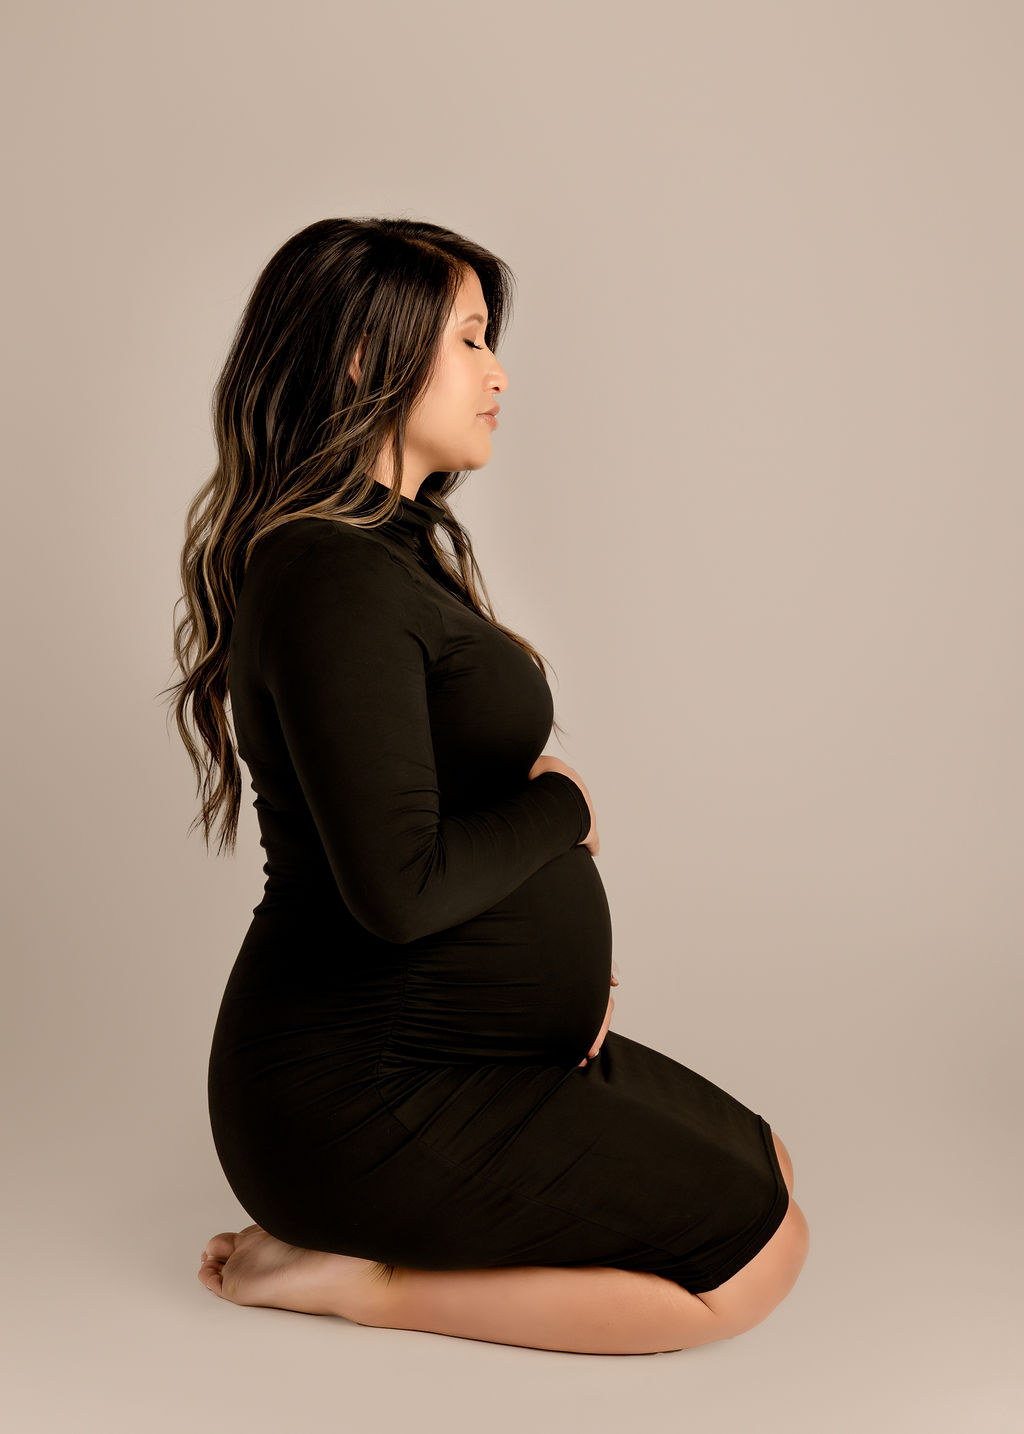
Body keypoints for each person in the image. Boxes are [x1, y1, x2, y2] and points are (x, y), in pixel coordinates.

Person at [163, 216, 809, 1356]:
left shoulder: (386, 546)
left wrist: (547, 981)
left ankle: (376, 1236)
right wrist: (570, 810)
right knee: (755, 1267)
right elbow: (398, 890)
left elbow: (434, 808)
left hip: (457, 1050)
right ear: (367, 357)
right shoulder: (329, 580)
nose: (498, 371)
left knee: (769, 1173)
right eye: (469, 340)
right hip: (357, 1097)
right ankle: (353, 1282)